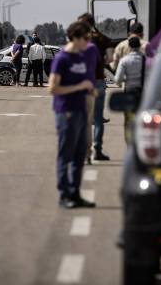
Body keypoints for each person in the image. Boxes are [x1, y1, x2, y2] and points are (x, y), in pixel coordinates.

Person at [49, 21, 96, 209]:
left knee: (79, 155)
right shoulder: (62, 58)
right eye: (86, 38)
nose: (88, 42)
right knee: (66, 154)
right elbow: (52, 88)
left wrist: (89, 89)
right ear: (75, 38)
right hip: (66, 111)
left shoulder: (81, 57)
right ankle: (64, 194)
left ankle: (75, 193)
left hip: (81, 109)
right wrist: (79, 86)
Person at [78, 13, 111, 161]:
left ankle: (85, 150)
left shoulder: (80, 40)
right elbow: (110, 58)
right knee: (98, 118)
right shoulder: (102, 39)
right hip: (98, 81)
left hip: (84, 82)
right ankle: (97, 149)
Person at [114, 36, 146, 144]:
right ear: (140, 46)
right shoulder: (145, 60)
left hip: (129, 92)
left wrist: (125, 79)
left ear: (129, 47)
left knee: (128, 120)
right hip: (143, 93)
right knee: (142, 118)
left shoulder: (124, 60)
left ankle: (129, 143)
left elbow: (117, 80)